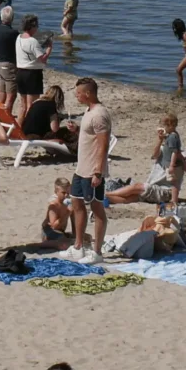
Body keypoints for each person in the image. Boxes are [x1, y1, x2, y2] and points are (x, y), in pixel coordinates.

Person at [66, 78, 113, 264]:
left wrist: (98, 172)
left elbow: (103, 145)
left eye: (78, 93)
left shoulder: (100, 115)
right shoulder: (88, 111)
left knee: (96, 208)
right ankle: (78, 246)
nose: (76, 96)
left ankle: (97, 251)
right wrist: (77, 129)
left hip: (93, 169)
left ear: (87, 93)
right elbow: (89, 136)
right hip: (81, 168)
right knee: (76, 203)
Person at [109, 113, 186, 208]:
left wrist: (180, 161)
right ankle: (104, 199)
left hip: (165, 192)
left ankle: (105, 195)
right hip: (153, 186)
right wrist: (160, 140)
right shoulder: (164, 149)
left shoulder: (179, 152)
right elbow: (154, 155)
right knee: (131, 197)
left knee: (136, 187)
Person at [14, 15, 48, 101]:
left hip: (20, 73)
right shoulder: (32, 41)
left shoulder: (18, 37)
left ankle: (22, 115)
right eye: (36, 26)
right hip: (32, 74)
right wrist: (49, 48)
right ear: (32, 26)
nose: (37, 28)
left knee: (23, 104)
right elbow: (43, 59)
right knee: (32, 104)